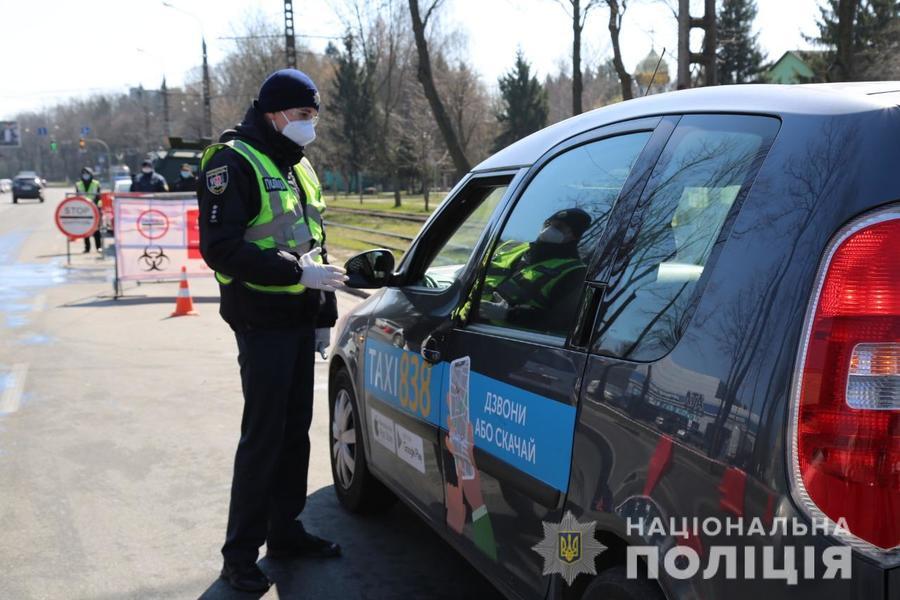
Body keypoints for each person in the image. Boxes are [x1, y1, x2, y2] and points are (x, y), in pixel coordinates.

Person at [197, 68, 347, 593]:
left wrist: (321, 316)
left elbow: (314, 242)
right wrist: (295, 274)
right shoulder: (231, 161)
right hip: (259, 318)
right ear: (274, 112)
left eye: (313, 116)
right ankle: (238, 555)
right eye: (303, 115)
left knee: (293, 436)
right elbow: (222, 248)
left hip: (297, 319)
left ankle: (284, 532)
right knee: (263, 439)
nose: (309, 125)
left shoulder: (297, 165)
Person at [478, 208, 591, 333]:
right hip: (463, 323)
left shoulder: (574, 272)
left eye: (558, 227)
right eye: (548, 223)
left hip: (503, 341)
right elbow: (474, 274)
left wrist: (509, 314)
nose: (548, 229)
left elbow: (561, 321)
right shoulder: (510, 246)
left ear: (573, 236)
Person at [75, 167, 102, 253]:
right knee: (85, 229)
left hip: (94, 209)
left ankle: (98, 247)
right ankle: (87, 248)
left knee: (96, 229)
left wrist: (95, 205)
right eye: (84, 174)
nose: (85, 176)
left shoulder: (96, 183)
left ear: (91, 175)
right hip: (84, 209)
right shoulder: (79, 184)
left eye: (87, 174)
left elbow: (98, 196)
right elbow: (77, 197)